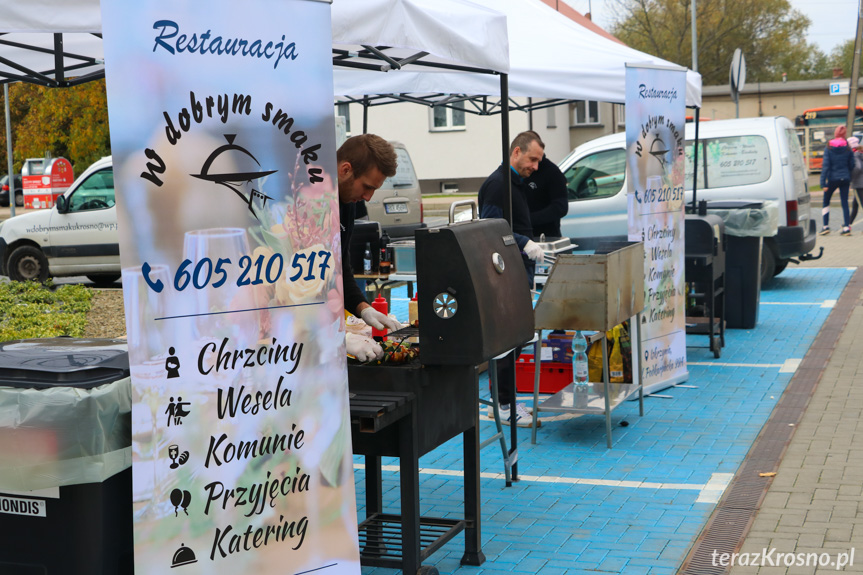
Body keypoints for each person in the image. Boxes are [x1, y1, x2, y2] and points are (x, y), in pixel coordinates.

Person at [478, 131, 546, 426]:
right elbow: (490, 228)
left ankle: (501, 399)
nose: (536, 166)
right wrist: (523, 243)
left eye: (539, 160)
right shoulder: (496, 185)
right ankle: (504, 404)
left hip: (518, 269)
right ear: (516, 152)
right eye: (533, 159)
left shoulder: (515, 184)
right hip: (505, 272)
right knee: (509, 339)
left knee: (516, 338)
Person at [337, 134, 402, 362]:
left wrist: (364, 309)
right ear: (345, 169)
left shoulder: (348, 204)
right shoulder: (308, 204)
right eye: (366, 187)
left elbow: (339, 270)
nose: (368, 196)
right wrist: (337, 338)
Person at [524, 132, 569, 238]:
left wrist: (528, 220)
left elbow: (560, 207)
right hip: (522, 235)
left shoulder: (552, 172)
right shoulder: (516, 173)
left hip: (546, 236)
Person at [819, 125, 855, 236]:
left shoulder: (829, 147)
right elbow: (852, 164)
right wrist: (847, 173)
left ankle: (825, 227)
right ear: (844, 135)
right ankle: (846, 228)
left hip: (832, 179)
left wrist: (822, 183)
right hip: (845, 178)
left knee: (826, 201)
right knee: (844, 203)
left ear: (835, 133)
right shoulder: (848, 147)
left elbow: (825, 166)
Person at [848, 136, 863, 225]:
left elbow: (857, 167)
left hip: (858, 183)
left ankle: (848, 224)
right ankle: (849, 223)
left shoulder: (855, 155)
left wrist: (851, 178)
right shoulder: (860, 153)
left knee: (860, 204)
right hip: (861, 183)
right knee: (855, 204)